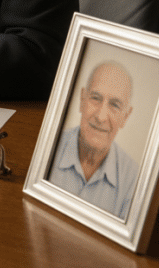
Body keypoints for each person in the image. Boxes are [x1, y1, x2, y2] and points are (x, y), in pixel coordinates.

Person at [48, 61, 139, 219]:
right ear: (82, 100)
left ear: (125, 116)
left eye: (115, 105)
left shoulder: (134, 179)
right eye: (95, 98)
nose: (101, 116)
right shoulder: (48, 147)